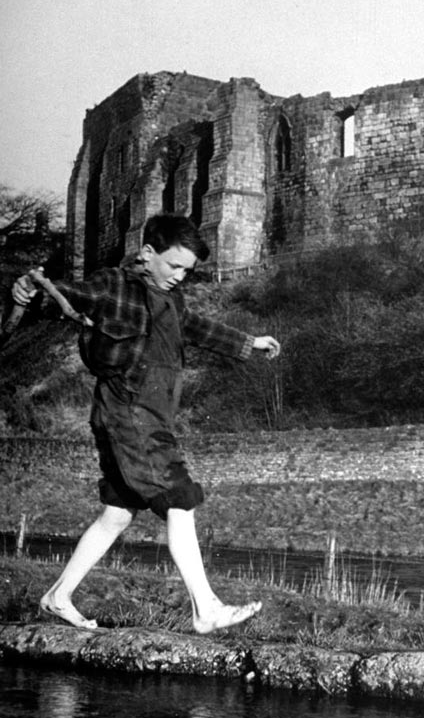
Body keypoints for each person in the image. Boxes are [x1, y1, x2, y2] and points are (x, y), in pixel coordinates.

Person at [11, 212, 281, 634]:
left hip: (143, 415)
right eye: (174, 265)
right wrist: (31, 291)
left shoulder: (172, 300)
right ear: (147, 252)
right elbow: (68, 296)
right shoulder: (113, 285)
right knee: (179, 497)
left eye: (187, 270)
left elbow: (195, 327)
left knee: (117, 514)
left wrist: (249, 342)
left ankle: (57, 597)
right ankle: (206, 609)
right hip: (129, 412)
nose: (179, 276)